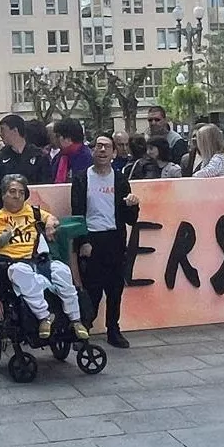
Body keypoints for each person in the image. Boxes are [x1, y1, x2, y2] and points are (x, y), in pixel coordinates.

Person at [0, 175, 87, 340]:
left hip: (39, 261)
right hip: (12, 263)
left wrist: (49, 225)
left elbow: (51, 218)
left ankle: (76, 320)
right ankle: (44, 317)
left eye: (21, 192)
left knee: (63, 271)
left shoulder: (33, 211)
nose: (17, 196)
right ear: (3, 195)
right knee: (20, 272)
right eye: (12, 192)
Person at [71, 134, 140, 348]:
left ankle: (113, 330)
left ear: (114, 153)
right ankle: (85, 330)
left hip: (114, 239)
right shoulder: (82, 178)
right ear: (93, 151)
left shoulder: (120, 180)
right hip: (92, 238)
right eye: (98, 147)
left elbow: (130, 219)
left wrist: (133, 205)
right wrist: (83, 241)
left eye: (106, 147)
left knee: (115, 288)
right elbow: (77, 212)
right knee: (91, 288)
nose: (101, 150)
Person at [0, 115, 51, 189]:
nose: (0, 134)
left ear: (15, 131)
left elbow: (47, 187)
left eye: (2, 129)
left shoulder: (39, 156)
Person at [50, 119, 94, 183]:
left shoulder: (87, 158)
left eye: (57, 136)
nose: (55, 140)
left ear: (68, 139)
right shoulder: (58, 157)